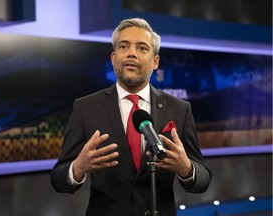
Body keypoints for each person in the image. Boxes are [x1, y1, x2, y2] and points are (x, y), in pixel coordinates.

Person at [51, 17, 212, 216]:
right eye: (123, 46)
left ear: (155, 62)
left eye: (142, 48)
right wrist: (77, 168)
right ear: (113, 57)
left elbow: (203, 179)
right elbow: (58, 179)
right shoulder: (85, 107)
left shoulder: (179, 109)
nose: (131, 54)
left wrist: (187, 168)